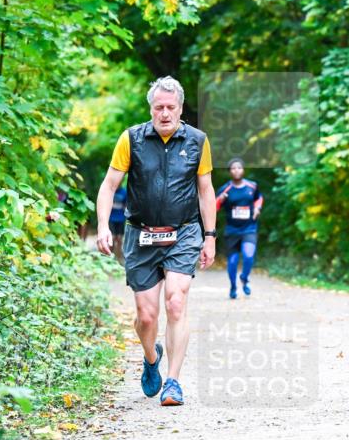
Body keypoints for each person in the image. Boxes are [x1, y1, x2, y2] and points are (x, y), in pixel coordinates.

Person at [95, 76, 217, 407]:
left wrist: (209, 237)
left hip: (183, 232)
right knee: (146, 316)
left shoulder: (197, 141)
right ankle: (152, 358)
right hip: (141, 234)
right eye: (159, 107)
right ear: (150, 108)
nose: (165, 113)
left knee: (176, 302)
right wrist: (103, 225)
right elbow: (109, 185)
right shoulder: (131, 139)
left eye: (170, 107)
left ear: (180, 108)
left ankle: (173, 382)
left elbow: (206, 190)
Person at [215, 158, 263, 299]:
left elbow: (259, 198)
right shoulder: (225, 189)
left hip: (249, 228)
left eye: (239, 168)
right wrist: (220, 200)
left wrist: (257, 208)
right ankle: (233, 286)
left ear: (243, 170)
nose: (236, 170)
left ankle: (244, 278)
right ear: (230, 171)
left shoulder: (252, 186)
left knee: (248, 255)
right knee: (232, 262)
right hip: (232, 230)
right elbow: (214, 208)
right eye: (233, 168)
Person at [109, 184, 128, 260]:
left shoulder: (124, 192)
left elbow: (126, 204)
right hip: (111, 218)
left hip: (121, 218)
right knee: (112, 238)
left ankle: (118, 257)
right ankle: (110, 256)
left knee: (119, 238)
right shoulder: (110, 190)